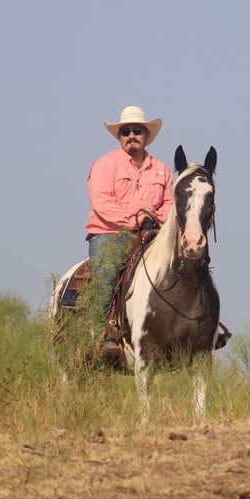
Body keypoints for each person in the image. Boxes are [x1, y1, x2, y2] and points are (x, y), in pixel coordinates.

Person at [85, 106, 174, 359]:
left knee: (185, 263)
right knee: (107, 275)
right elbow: (102, 203)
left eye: (137, 130)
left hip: (153, 232)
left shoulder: (162, 170)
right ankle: (101, 337)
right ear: (119, 136)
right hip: (110, 233)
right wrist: (134, 220)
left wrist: (155, 219)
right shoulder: (104, 165)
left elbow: (169, 204)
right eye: (126, 131)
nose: (131, 135)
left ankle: (195, 329)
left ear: (146, 134)